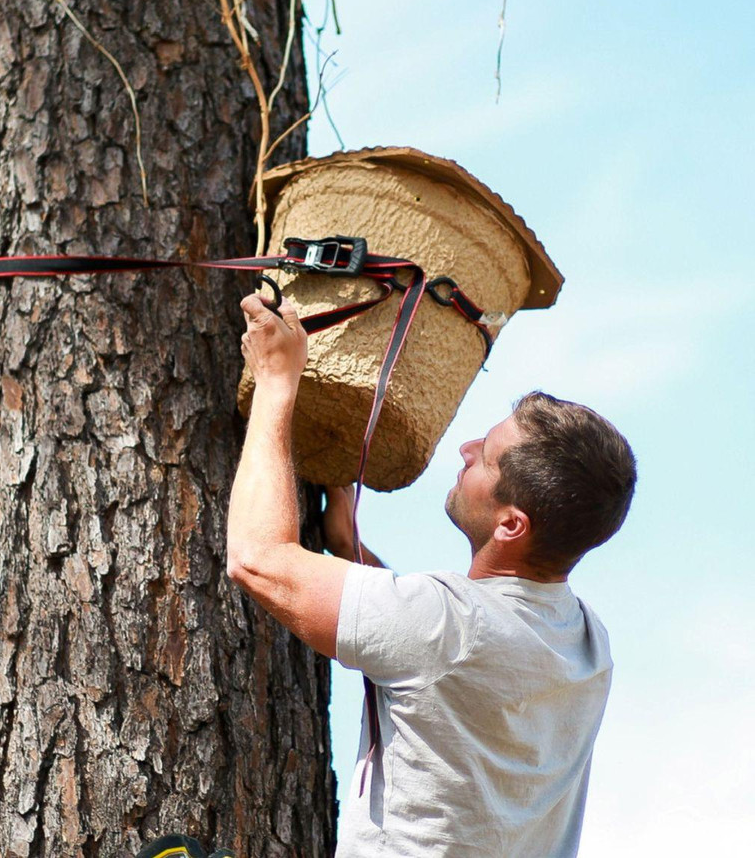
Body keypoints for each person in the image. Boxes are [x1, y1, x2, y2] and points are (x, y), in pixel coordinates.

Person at [227, 293, 637, 857]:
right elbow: (440, 657)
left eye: (486, 457)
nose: (466, 449)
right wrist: (348, 548)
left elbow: (257, 557)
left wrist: (276, 381)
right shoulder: (586, 645)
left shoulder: (448, 624)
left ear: (511, 524)